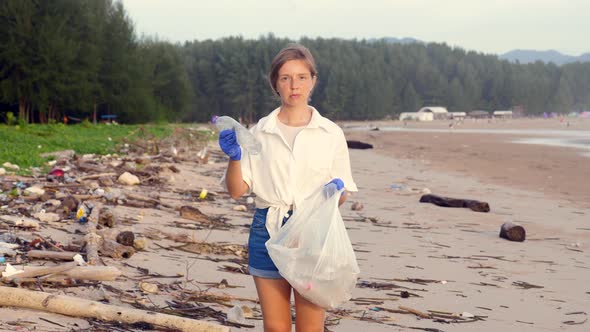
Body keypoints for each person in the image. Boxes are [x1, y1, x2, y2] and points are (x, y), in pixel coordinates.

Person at [219, 44, 357, 331]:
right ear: (275, 84)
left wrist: (336, 192)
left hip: (313, 233)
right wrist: (234, 159)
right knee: (276, 327)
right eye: (285, 78)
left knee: (310, 328)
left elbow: (342, 196)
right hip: (267, 230)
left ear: (313, 81)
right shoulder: (259, 133)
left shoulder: (331, 134)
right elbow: (236, 191)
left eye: (302, 77)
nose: (294, 85)